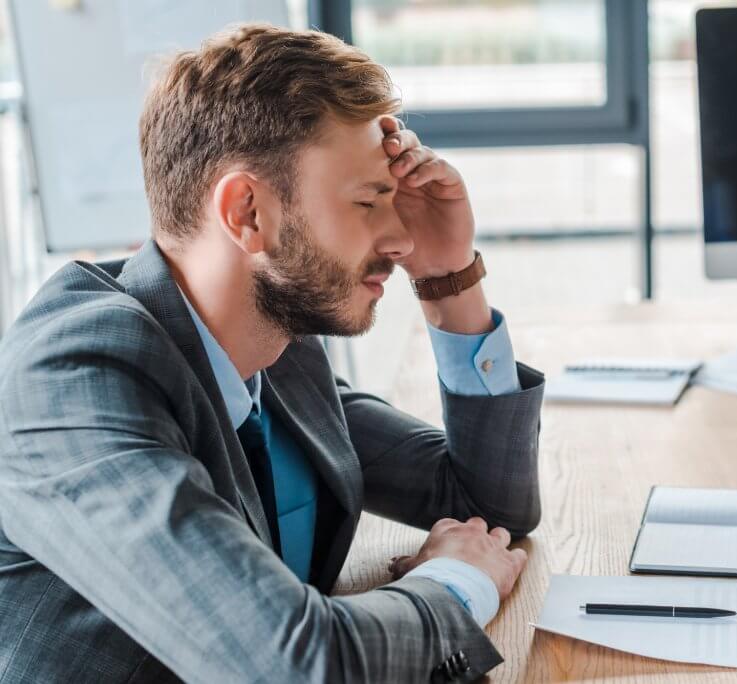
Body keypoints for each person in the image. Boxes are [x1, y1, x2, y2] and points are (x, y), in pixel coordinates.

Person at [0, 24, 543, 683]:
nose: (401, 236)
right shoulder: (74, 375)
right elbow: (290, 665)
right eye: (371, 200)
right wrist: (458, 582)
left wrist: (450, 275)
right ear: (247, 212)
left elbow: (488, 501)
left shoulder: (276, 344)